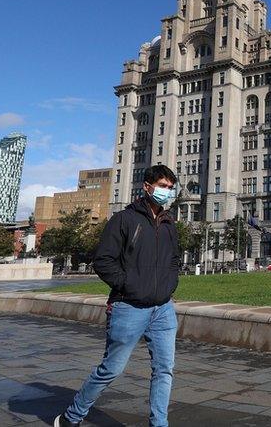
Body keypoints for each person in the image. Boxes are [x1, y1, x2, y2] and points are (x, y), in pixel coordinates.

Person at [55, 165, 181, 427]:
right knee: (111, 369)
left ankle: (159, 424)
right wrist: (129, 286)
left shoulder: (170, 223)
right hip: (128, 307)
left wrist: (170, 286)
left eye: (170, 188)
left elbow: (173, 260)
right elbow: (103, 260)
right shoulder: (124, 219)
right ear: (147, 186)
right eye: (162, 186)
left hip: (163, 309)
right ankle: (72, 416)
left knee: (164, 370)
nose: (166, 192)